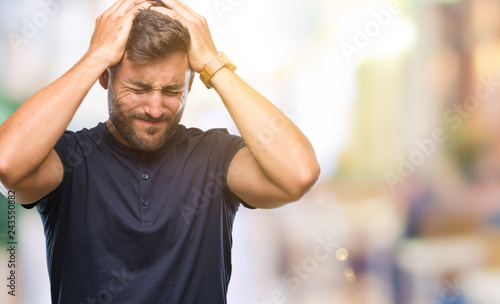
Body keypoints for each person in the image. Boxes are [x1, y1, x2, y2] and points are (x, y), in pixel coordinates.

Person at [0, 0, 320, 302]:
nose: (155, 109)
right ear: (104, 77)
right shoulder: (69, 159)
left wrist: (213, 62)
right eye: (138, 88)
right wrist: (95, 56)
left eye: (171, 90)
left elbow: (299, 174)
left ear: (191, 84)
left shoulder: (216, 157)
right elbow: (6, 164)